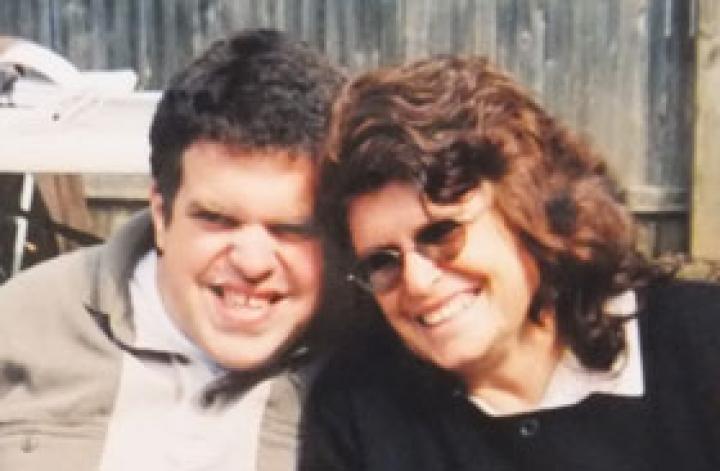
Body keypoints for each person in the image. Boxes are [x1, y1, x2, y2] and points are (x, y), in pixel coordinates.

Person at [301, 55, 720, 471]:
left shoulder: (699, 343)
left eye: (440, 234)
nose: (418, 281)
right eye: (382, 261)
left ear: (529, 208)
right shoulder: (356, 412)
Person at [0, 28, 344, 471]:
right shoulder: (26, 321)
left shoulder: (374, 365)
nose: (252, 262)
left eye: (291, 229)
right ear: (162, 216)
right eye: (218, 220)